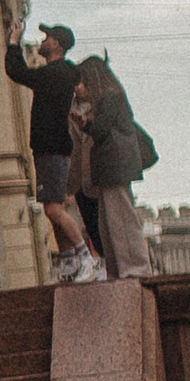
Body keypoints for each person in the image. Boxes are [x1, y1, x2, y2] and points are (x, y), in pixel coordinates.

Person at [4, 15, 100, 281]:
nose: (43, 42)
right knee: (53, 205)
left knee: (53, 209)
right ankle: (70, 263)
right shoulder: (63, 74)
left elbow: (18, 72)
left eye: (47, 38)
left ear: (56, 44)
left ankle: (86, 258)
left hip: (50, 147)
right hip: (54, 146)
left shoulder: (53, 74)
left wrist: (13, 42)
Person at [74, 55, 154, 281]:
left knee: (121, 220)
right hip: (111, 168)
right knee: (109, 223)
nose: (79, 88)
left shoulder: (110, 97)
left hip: (115, 166)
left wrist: (84, 121)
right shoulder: (111, 96)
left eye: (83, 82)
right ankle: (119, 269)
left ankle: (134, 268)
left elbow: (100, 131)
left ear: (93, 80)